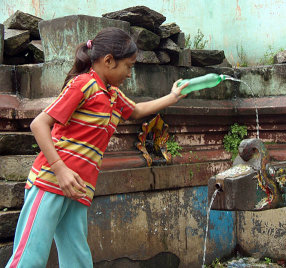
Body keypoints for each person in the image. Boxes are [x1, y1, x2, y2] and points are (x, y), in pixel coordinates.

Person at [6, 27, 188, 268]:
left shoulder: (112, 95)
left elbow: (137, 111)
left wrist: (173, 96)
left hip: (78, 187)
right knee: (30, 258)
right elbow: (39, 124)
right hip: (50, 181)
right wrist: (60, 170)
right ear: (109, 61)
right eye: (129, 66)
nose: (130, 73)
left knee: (78, 259)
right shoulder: (83, 85)